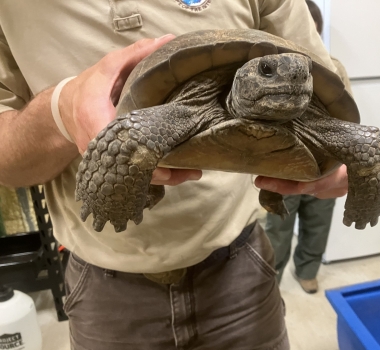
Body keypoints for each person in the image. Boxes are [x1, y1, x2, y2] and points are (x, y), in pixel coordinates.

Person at [0, 1, 350, 349]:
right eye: (269, 73)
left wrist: (351, 161)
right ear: (241, 82)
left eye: (298, 76)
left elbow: (328, 87)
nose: (292, 80)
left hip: (241, 266)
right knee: (127, 141)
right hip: (104, 282)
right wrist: (61, 110)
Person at [265, 0, 353, 294]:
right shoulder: (269, 72)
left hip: (323, 159)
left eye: (312, 35)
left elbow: (348, 117)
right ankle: (272, 277)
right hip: (280, 161)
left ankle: (308, 267)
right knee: (277, 227)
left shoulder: (333, 68)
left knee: (318, 222)